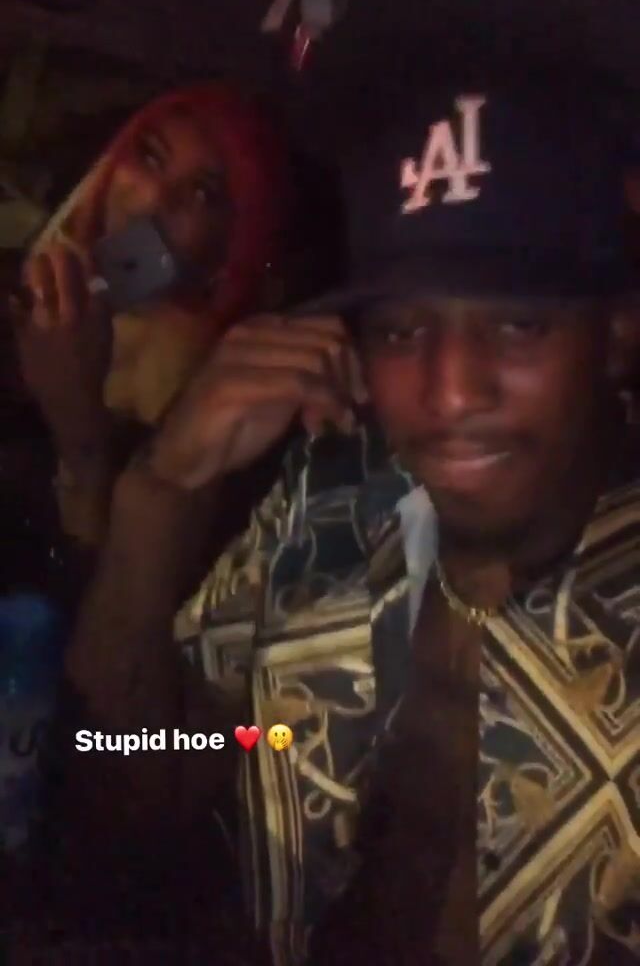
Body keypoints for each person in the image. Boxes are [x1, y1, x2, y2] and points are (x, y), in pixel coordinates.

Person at [62, 81, 640, 965]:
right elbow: (133, 780)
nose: (451, 392)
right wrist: (162, 487)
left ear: (618, 336)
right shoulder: (335, 503)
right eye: (402, 331)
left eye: (519, 324)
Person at [14, 82, 292, 547]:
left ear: (228, 255)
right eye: (148, 158)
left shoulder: (203, 411)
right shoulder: (33, 283)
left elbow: (100, 575)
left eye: (201, 193)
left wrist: (77, 427)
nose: (153, 199)